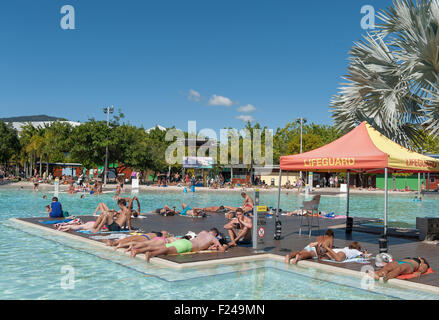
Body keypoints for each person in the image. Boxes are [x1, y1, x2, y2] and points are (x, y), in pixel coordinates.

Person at [143, 228, 226, 262]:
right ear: (215, 234)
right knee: (168, 250)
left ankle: (139, 249)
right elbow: (222, 250)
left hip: (184, 241)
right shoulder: (213, 238)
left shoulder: (203, 232)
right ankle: (151, 254)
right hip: (188, 245)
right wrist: (224, 246)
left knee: (164, 247)